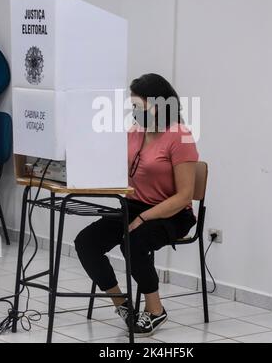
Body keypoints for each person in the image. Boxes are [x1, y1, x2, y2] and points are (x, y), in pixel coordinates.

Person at [75, 73, 199, 337]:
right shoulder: (135, 132)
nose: (134, 112)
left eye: (138, 107)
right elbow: (115, 167)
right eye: (132, 107)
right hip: (134, 205)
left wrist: (144, 219)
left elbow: (185, 196)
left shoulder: (180, 136)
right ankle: (122, 304)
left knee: (134, 242)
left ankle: (155, 310)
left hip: (172, 212)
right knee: (86, 242)